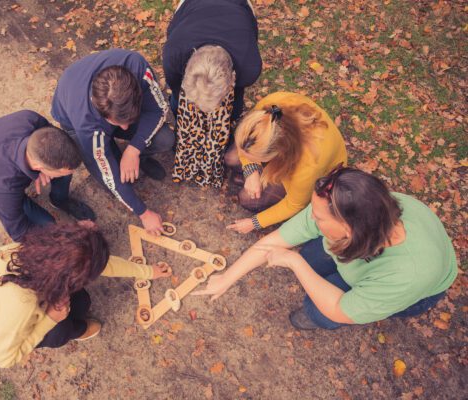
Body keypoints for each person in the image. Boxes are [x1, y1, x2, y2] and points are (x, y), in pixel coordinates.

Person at [194, 167, 458, 330]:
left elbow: (341, 309)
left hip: (414, 289)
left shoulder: (407, 275)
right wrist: (227, 278)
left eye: (319, 218)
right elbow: (272, 243)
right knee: (313, 258)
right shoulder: (358, 207)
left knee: (322, 309)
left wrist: (295, 262)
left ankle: (314, 317)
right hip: (358, 252)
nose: (313, 218)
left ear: (348, 230)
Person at [0, 222, 171, 368]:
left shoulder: (37, 251)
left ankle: (67, 321)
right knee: (59, 331)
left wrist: (147, 272)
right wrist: (50, 319)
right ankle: (75, 330)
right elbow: (4, 358)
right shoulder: (20, 303)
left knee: (81, 301)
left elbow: (97, 263)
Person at [51, 49, 173, 236]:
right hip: (73, 120)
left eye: (128, 122)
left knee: (165, 138)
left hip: (111, 112)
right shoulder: (86, 122)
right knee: (112, 175)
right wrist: (143, 212)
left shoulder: (137, 65)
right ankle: (118, 151)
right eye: (118, 124)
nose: (125, 129)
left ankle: (141, 158)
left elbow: (159, 110)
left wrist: (134, 149)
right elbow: (107, 173)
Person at [0, 110, 94, 242]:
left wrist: (42, 173)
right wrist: (69, 231)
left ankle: (59, 200)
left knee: (64, 175)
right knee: (47, 223)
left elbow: (54, 136)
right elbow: (19, 233)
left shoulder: (28, 119)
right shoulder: (3, 187)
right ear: (38, 166)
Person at [224, 92, 347, 234]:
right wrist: (251, 170)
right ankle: (253, 177)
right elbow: (245, 147)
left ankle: (256, 180)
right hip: (283, 154)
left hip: (304, 169)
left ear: (277, 154)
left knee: (247, 199)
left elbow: (294, 204)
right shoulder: (268, 111)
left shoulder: (309, 164)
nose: (248, 158)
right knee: (231, 158)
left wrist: (255, 222)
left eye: (255, 157)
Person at [162, 0, 261, 122]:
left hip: (238, 5)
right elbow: (175, 85)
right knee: (177, 102)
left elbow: (252, 32)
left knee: (235, 107)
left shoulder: (249, 66)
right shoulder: (174, 52)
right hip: (191, 4)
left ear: (231, 80)